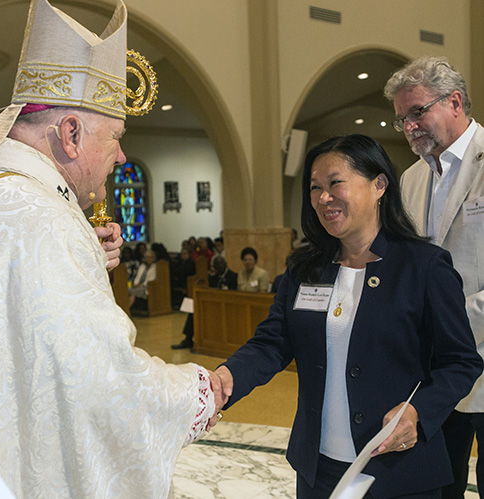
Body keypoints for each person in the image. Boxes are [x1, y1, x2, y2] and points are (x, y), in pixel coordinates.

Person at [0, 0, 223, 497]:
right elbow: (98, 379)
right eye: (114, 137)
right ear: (70, 133)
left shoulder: (4, 191)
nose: (119, 155)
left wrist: (83, 249)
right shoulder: (40, 218)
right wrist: (196, 393)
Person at [214, 134, 483, 498]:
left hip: (398, 472)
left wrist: (418, 412)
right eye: (314, 187)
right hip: (318, 470)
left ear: (379, 185)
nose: (324, 198)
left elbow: (461, 361)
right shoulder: (305, 268)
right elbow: (273, 343)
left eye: (335, 183)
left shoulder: (423, 267)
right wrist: (226, 377)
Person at [384, 56, 484, 498]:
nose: (408, 126)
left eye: (417, 112)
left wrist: (450, 324)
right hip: (437, 376)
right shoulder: (410, 179)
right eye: (402, 118)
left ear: (455, 101)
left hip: (477, 344)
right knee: (440, 485)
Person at [172, 256, 237, 350]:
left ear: (225, 264)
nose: (219, 266)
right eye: (216, 265)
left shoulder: (233, 276)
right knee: (194, 312)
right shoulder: (213, 277)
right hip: (213, 304)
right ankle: (189, 339)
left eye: (221, 264)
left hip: (228, 306)